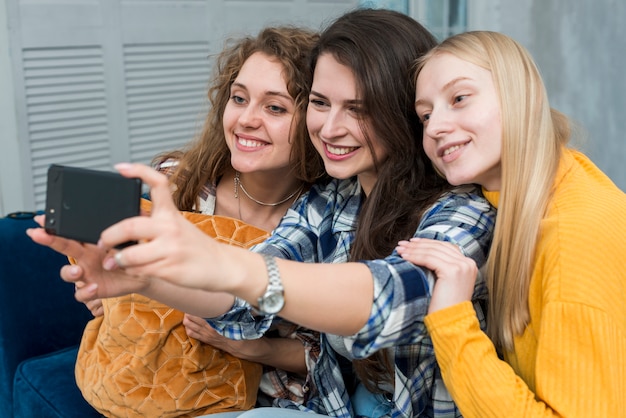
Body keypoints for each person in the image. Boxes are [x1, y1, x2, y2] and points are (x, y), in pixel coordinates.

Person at [28, 9, 496, 418]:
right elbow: (245, 303)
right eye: (319, 103)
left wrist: (226, 265)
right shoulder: (333, 199)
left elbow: (388, 300)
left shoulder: (464, 209)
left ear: (404, 112)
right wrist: (141, 282)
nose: (330, 128)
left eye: (358, 109)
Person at [71, 25, 326, 417]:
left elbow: (332, 353)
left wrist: (251, 347)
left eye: (275, 107)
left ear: (317, 122)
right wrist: (107, 294)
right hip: (147, 381)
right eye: (239, 99)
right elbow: (133, 300)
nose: (246, 119)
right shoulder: (177, 182)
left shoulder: (325, 222)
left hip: (257, 400)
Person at [394, 30, 626, 417]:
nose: (434, 128)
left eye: (459, 99)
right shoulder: (536, 190)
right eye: (426, 115)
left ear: (523, 94)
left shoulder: (576, 235)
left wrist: (451, 320)